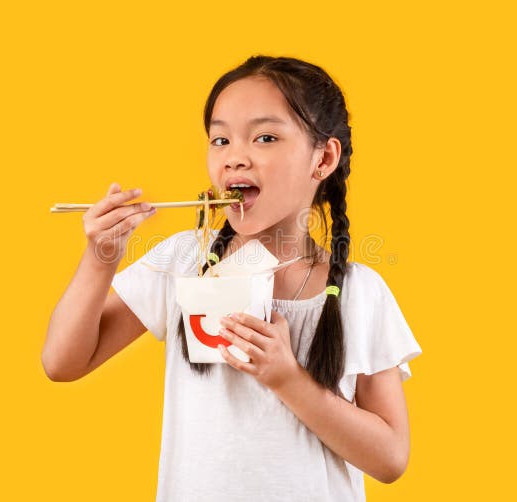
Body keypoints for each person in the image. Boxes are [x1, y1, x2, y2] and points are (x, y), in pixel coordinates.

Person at [42, 55, 423, 501]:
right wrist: (99, 258)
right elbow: (63, 362)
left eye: (264, 137)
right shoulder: (184, 260)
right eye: (219, 139)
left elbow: (390, 459)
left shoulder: (361, 292)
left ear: (323, 158)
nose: (234, 157)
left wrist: (288, 379)